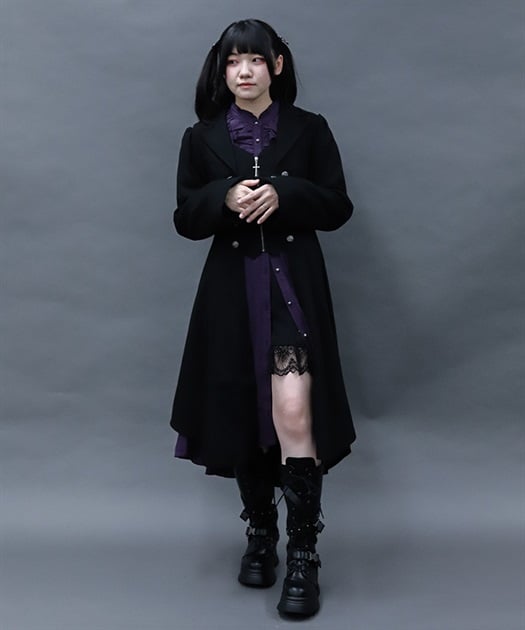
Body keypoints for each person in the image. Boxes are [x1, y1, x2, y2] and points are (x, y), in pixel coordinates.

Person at [170, 18, 356, 618]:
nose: (243, 71)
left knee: (293, 410)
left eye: (254, 59)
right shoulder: (200, 137)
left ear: (277, 64)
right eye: (232, 62)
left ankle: (303, 554)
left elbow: (338, 205)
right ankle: (260, 532)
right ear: (222, 71)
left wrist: (284, 192)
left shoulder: (309, 129)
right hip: (230, 294)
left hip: (291, 289)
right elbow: (184, 217)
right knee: (244, 408)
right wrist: (224, 196)